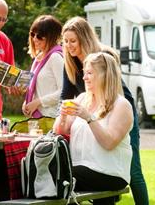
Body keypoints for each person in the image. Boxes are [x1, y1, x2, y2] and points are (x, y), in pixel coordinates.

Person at [60, 16, 150, 204]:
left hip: (116, 113)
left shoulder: (103, 57)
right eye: (66, 41)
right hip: (92, 110)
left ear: (84, 38)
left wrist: (96, 114)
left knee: (133, 170)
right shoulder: (70, 63)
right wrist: (66, 111)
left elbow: (118, 92)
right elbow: (66, 96)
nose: (68, 45)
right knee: (92, 160)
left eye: (73, 41)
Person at [55, 52, 133, 205]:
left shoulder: (121, 105)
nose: (84, 78)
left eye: (89, 73)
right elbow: (60, 131)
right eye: (84, 73)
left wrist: (89, 117)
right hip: (81, 168)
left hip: (110, 171)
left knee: (59, 177)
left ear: (105, 75)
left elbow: (109, 143)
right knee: (56, 176)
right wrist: (63, 115)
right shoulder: (82, 98)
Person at [22, 15, 64, 118]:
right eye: (32, 34)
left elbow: (63, 91)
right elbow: (36, 88)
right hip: (38, 118)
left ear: (51, 36)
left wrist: (37, 102)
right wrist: (27, 102)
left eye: (39, 35)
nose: (35, 39)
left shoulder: (55, 57)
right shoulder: (38, 58)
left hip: (51, 117)